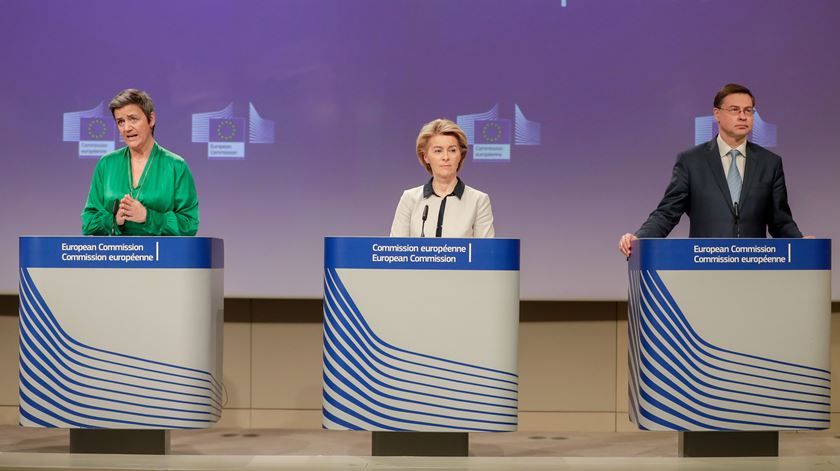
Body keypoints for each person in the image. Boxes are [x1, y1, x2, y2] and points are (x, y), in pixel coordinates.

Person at [618, 83, 802, 257]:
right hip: (705, 264)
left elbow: (780, 221)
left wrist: (802, 244)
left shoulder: (770, 163)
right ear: (717, 114)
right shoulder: (691, 161)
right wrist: (639, 238)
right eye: (734, 110)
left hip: (754, 264)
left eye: (748, 111)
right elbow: (667, 213)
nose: (743, 116)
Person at [82, 89, 199, 236]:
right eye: (120, 122)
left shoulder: (176, 166)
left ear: (151, 119)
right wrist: (114, 220)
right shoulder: (106, 164)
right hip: (116, 256)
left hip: (161, 256)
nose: (127, 128)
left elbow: (189, 224)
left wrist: (147, 217)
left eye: (133, 119)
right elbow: (88, 222)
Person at [390, 119, 494, 238]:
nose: (445, 157)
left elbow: (486, 253)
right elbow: (396, 251)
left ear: (461, 155)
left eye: (452, 150)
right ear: (426, 157)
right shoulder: (409, 199)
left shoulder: (478, 201)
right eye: (438, 151)